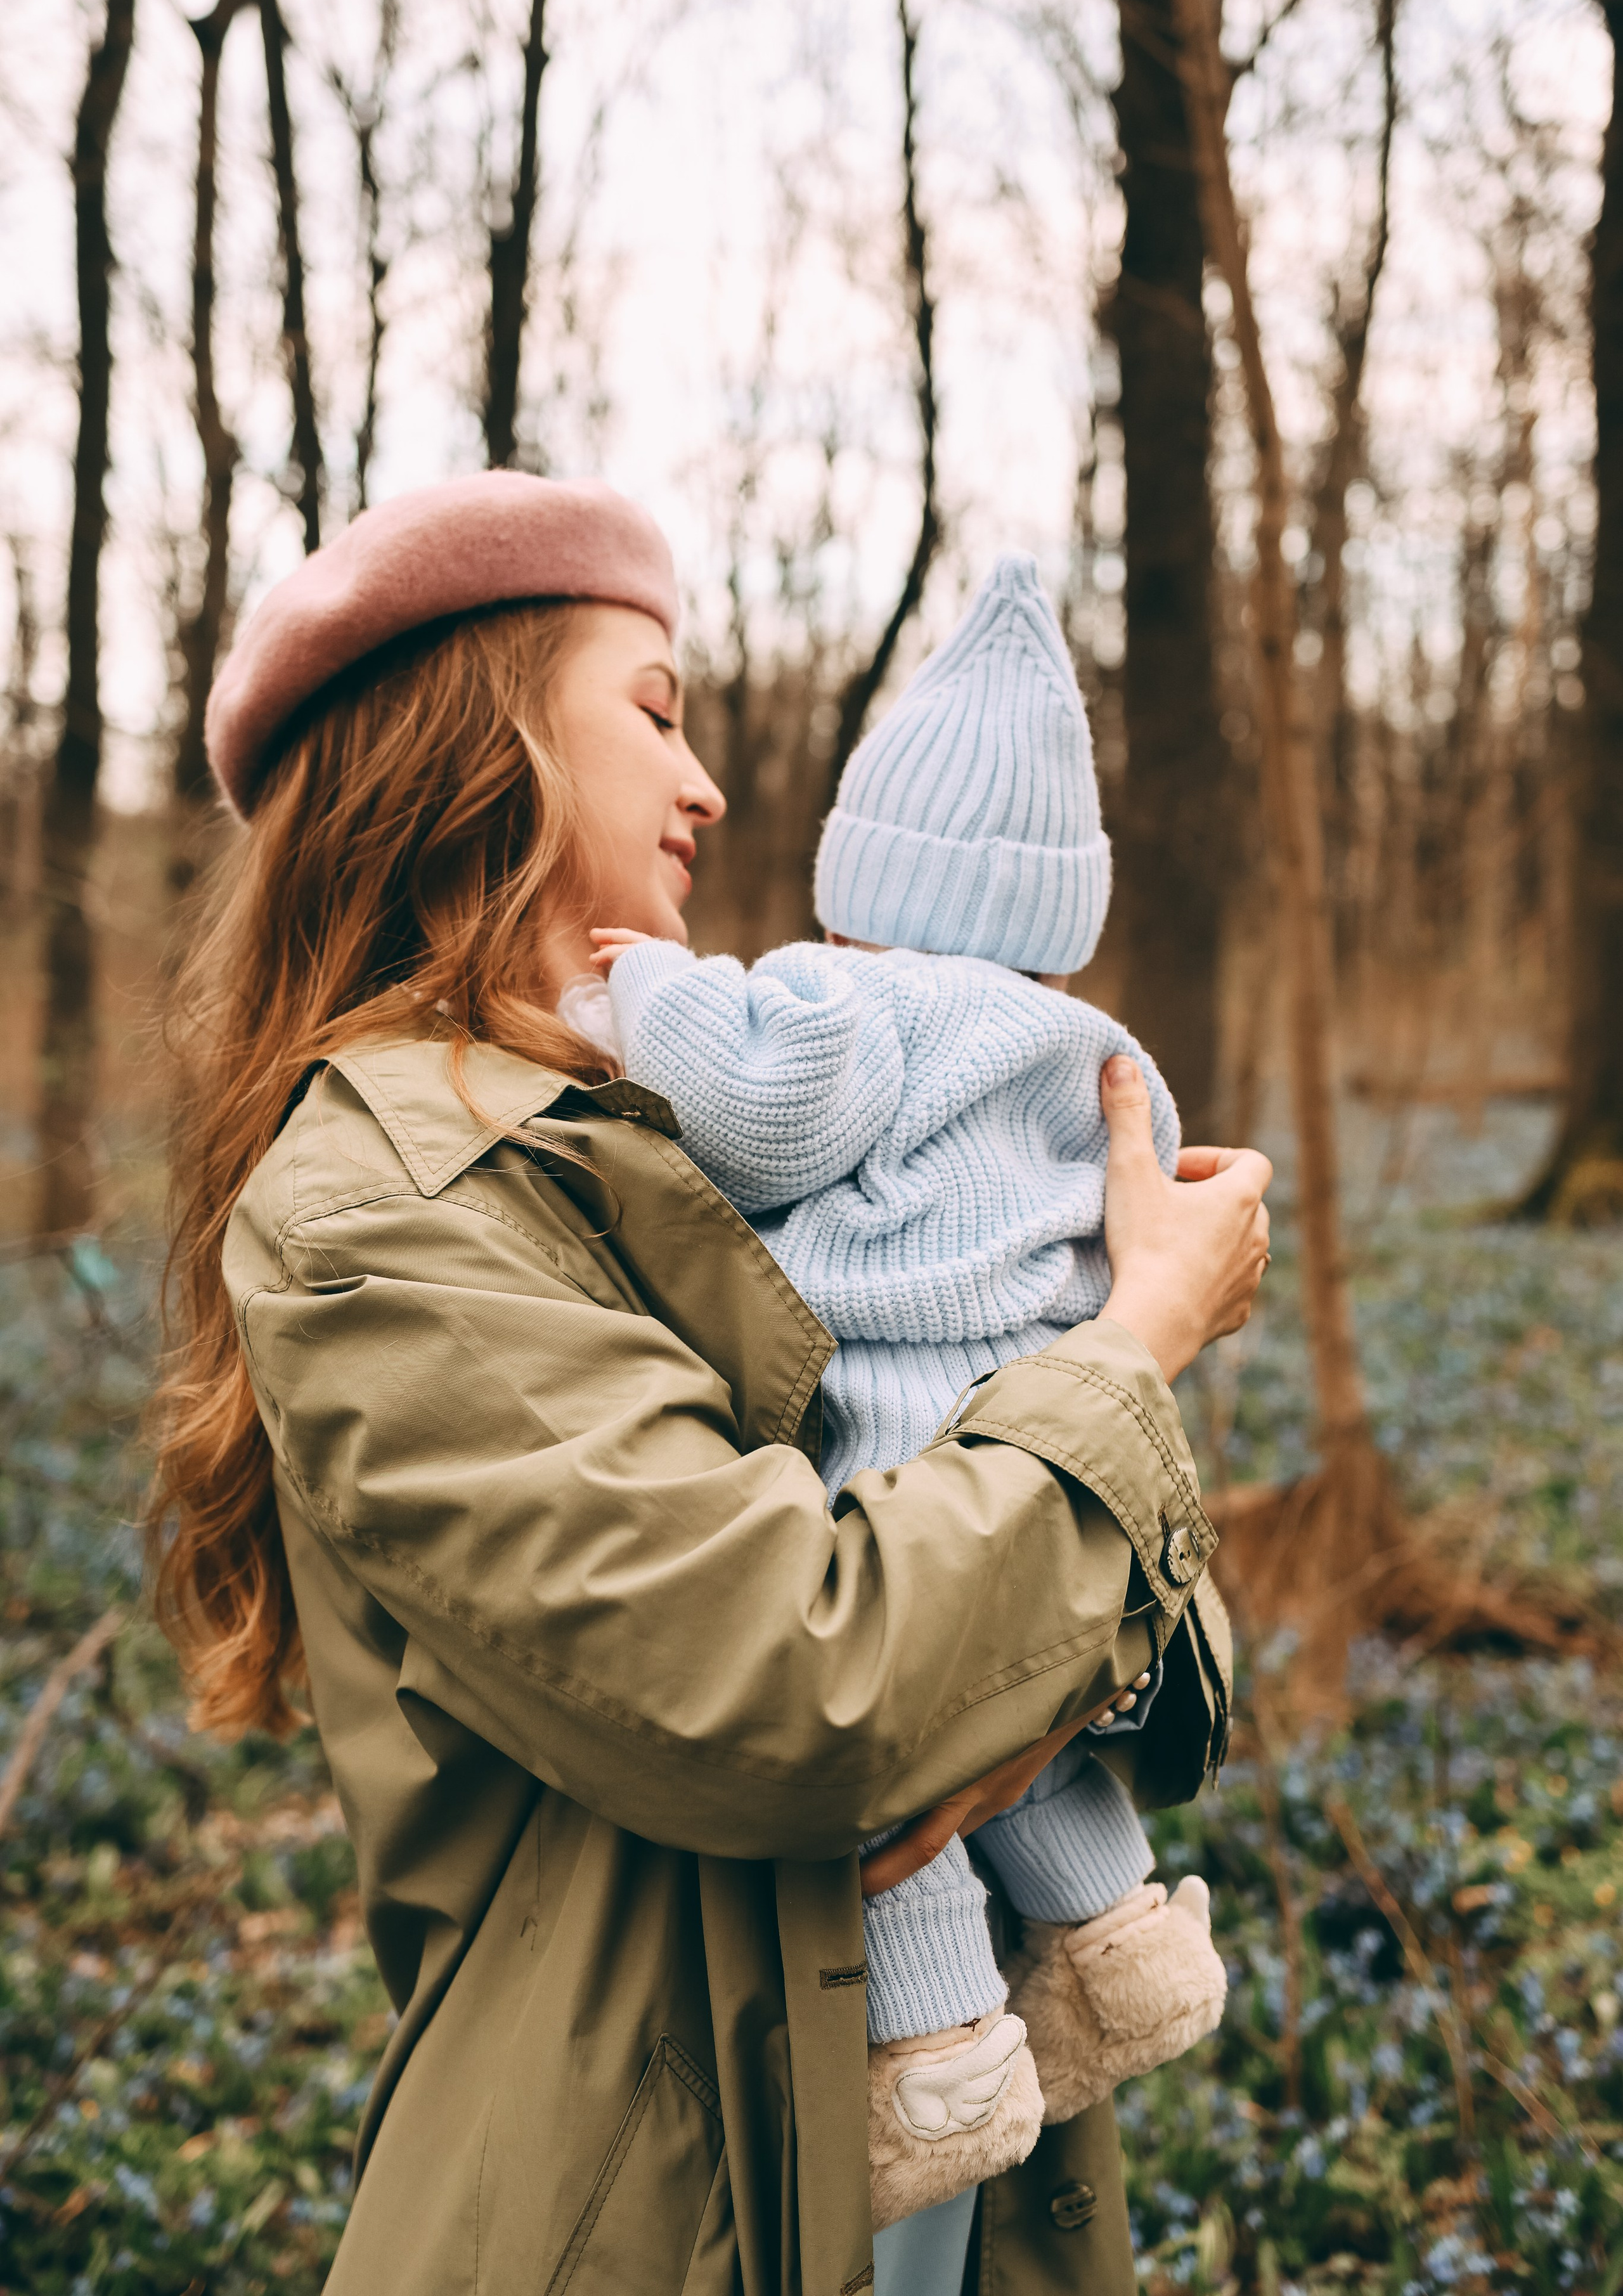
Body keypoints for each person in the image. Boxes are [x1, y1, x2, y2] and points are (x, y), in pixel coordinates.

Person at [150, 471, 1270, 2296]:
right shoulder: (387, 1206)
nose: (712, 783)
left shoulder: (684, 1144)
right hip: (656, 2212)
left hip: (944, 2176)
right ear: (479, 752)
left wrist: (1041, 1673)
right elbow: (809, 1689)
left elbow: (1129, 1643)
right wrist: (1135, 1348)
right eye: (655, 715)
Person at [582, 555, 1229, 2241]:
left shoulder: (845, 999)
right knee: (1034, 1745)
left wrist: (645, 990)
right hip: (1059, 1450)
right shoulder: (1100, 1049)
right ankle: (1125, 1947)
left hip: (891, 1450)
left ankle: (939, 2062)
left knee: (901, 1789)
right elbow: (1138, 1209)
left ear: (869, 868)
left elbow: (761, 1118)